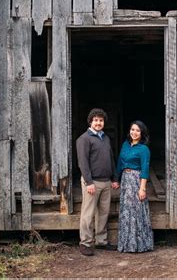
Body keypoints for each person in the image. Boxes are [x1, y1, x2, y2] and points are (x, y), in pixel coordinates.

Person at [76, 108, 120, 256]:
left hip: (106, 182)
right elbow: (83, 163)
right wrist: (89, 182)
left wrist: (114, 178)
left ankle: (101, 241)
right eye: (95, 120)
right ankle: (85, 243)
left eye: (101, 120)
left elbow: (111, 159)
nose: (98, 123)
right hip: (92, 182)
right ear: (90, 122)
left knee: (103, 213)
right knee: (88, 214)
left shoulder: (105, 138)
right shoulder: (84, 139)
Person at [116, 120, 154, 253]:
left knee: (137, 211)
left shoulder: (144, 149)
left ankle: (139, 244)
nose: (134, 132)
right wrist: (116, 179)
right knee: (126, 211)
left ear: (142, 133)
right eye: (132, 129)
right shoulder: (125, 145)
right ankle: (126, 244)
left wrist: (142, 188)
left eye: (137, 130)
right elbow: (120, 162)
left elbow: (145, 169)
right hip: (126, 181)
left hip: (136, 180)